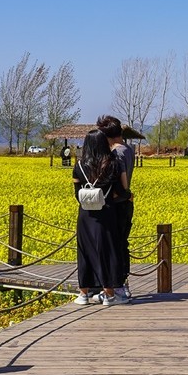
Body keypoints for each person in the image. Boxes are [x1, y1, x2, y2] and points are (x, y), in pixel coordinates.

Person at [72, 129, 131, 306]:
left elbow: (77, 194)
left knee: (85, 253)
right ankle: (110, 295)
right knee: (108, 253)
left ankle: (83, 294)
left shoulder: (79, 165)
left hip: (85, 215)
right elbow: (122, 191)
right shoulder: (112, 164)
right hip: (106, 213)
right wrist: (125, 196)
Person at [98, 115, 135, 300]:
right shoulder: (129, 149)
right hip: (126, 204)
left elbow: (122, 184)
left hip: (118, 203)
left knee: (117, 246)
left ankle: (119, 285)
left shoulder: (117, 153)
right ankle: (122, 283)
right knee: (122, 244)